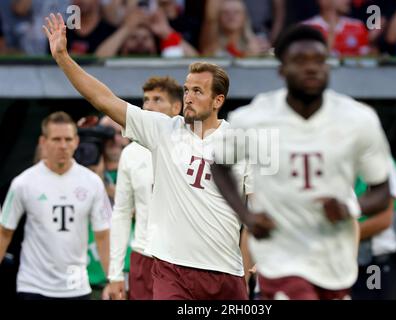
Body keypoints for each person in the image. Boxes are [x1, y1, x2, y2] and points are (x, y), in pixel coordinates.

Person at [43, 13, 250, 300]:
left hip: (225, 273)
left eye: (197, 91)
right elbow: (103, 99)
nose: (188, 97)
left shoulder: (242, 143)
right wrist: (63, 58)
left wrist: (254, 263)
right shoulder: (163, 129)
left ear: (218, 101)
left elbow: (258, 213)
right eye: (187, 89)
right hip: (170, 269)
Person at [211, 24, 392, 300]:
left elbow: (382, 192)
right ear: (281, 69)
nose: (311, 68)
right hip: (280, 254)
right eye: (300, 61)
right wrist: (246, 215)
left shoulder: (358, 119)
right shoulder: (254, 118)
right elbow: (220, 165)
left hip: (335, 256)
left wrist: (349, 207)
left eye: (319, 61)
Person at [0, 112, 111, 299]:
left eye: (68, 139)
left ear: (76, 141)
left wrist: (112, 279)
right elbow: (4, 232)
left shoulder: (92, 182)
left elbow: (103, 235)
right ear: (43, 142)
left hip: (76, 286)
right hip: (33, 286)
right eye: (56, 139)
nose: (63, 146)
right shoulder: (23, 183)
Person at [107, 76, 183, 300]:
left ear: (176, 107)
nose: (148, 105)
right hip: (143, 256)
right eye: (146, 100)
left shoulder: (194, 149)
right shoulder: (130, 153)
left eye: (157, 99)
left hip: (181, 259)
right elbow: (121, 212)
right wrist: (115, 273)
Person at [352, 158, 396, 300]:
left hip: (375, 264)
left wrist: (341, 236)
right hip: (352, 262)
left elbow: (383, 221)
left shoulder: (385, 165)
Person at [302, 0, 370, 57]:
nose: (348, 1)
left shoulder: (357, 26)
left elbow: (367, 58)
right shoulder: (307, 28)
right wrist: (331, 32)